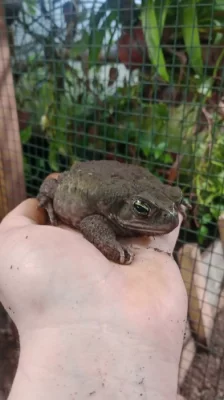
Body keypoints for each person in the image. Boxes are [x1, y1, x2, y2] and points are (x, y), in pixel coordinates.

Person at [0, 193, 187, 400]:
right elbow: (91, 221)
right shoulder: (106, 208)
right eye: (142, 210)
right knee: (52, 188)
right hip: (93, 190)